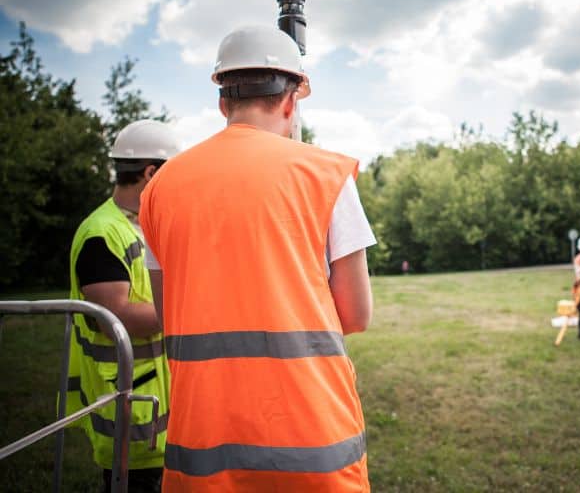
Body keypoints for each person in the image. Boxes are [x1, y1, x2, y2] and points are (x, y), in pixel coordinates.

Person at [139, 25, 376, 491]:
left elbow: (171, 317)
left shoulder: (160, 188)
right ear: (291, 101)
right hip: (314, 440)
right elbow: (355, 314)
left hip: (203, 441)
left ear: (223, 102)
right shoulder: (325, 175)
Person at [66, 119, 181, 492]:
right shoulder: (102, 233)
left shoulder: (143, 225)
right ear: (150, 173)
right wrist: (188, 305)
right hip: (128, 400)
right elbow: (116, 318)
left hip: (155, 401)